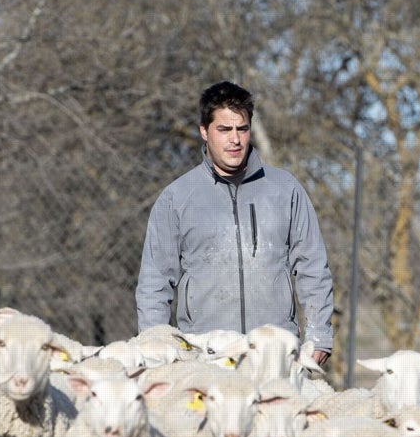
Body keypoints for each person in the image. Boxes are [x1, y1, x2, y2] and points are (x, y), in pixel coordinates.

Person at [136, 81, 334, 365]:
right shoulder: (176, 198)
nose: (235, 140)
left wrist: (319, 335)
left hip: (276, 354)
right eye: (224, 129)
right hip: (204, 355)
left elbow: (313, 267)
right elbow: (154, 282)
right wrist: (154, 346)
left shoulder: (285, 190)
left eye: (242, 129)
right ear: (204, 131)